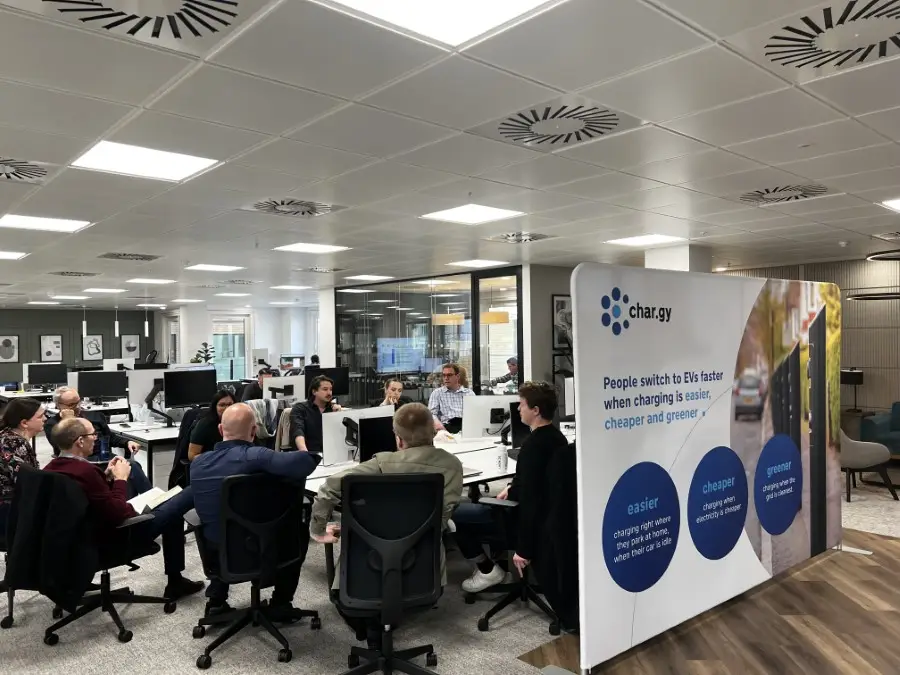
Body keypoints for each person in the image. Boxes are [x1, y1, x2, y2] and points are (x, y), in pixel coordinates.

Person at [310, 403, 463, 643]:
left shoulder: (380, 464)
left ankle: (371, 629)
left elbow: (327, 489)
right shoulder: (453, 466)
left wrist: (318, 530)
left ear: (399, 439)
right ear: (434, 432)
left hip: (366, 570)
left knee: (346, 599)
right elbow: (444, 516)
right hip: (426, 573)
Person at [44, 417, 204, 600]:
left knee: (166, 504)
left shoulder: (51, 469)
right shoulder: (85, 471)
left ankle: (176, 581)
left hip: (82, 538)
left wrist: (106, 478)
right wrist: (120, 480)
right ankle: (180, 579)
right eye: (92, 434)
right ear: (80, 441)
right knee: (190, 492)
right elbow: (120, 513)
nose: (96, 438)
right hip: (117, 536)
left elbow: (88, 497)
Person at [190, 404, 320, 617]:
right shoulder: (259, 456)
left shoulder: (198, 464)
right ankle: (280, 603)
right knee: (299, 530)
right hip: (268, 549)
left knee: (219, 523)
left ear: (221, 430)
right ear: (254, 431)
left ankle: (216, 601)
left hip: (220, 554)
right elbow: (306, 462)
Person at [453, 381, 569, 593]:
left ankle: (488, 570)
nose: (518, 409)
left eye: (522, 404)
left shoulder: (532, 447)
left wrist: (524, 549)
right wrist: (512, 486)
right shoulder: (556, 438)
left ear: (535, 410)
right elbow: (537, 482)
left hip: (524, 522)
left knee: (455, 514)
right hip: (550, 519)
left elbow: (531, 501)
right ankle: (499, 568)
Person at [45, 386, 142, 458]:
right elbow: (64, 448)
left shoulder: (95, 416)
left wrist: (127, 442)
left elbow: (110, 438)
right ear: (58, 405)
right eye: (71, 404)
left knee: (134, 467)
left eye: (78, 402)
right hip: (77, 463)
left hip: (103, 458)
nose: (77, 406)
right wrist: (68, 420)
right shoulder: (52, 424)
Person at [0, 398, 43, 533]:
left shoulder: (6, 435)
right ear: (24, 423)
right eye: (40, 416)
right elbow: (26, 480)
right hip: (7, 508)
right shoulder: (15, 443)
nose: (45, 419)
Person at [289, 375, 342, 454]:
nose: (329, 393)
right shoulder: (300, 408)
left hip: (330, 454)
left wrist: (339, 416)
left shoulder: (334, 409)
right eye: (325, 389)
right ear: (314, 392)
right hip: (309, 454)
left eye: (330, 389)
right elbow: (298, 431)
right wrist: (304, 452)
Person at [188, 390, 236, 461]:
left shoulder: (240, 422)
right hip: (212, 462)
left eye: (230, 404)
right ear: (215, 407)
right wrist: (217, 458)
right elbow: (192, 455)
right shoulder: (205, 425)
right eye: (222, 405)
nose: (227, 408)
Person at [428, 363, 473, 433]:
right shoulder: (437, 393)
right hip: (446, 428)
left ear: (457, 376)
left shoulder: (469, 393)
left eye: (449, 375)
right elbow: (431, 414)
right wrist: (439, 425)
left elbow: (475, 413)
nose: (446, 378)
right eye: (444, 375)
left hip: (467, 428)